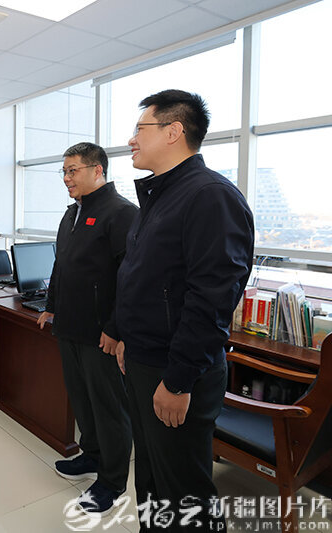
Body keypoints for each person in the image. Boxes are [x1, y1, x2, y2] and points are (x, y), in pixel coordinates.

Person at [115, 90, 254, 531]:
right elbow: (144, 279)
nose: (132, 140)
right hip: (145, 359)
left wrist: (178, 379)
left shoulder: (210, 196)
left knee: (184, 495)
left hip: (175, 370)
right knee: (152, 479)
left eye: (140, 129)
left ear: (173, 131)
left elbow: (211, 299)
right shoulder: (160, 196)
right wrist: (127, 337)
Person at [35, 142, 137, 514]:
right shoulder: (72, 213)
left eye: (72, 170)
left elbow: (130, 278)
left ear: (97, 170)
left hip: (101, 334)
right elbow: (61, 265)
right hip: (69, 326)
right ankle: (91, 455)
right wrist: (51, 306)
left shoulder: (122, 213)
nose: (66, 178)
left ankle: (111, 480)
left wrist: (115, 328)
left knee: (108, 408)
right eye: (63, 171)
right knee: (82, 400)